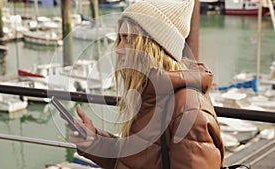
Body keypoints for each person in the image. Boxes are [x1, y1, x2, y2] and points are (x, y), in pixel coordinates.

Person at [68, 0, 225, 168]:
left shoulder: (189, 108)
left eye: (128, 40)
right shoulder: (151, 95)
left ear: (153, 46)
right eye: (119, 39)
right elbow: (135, 161)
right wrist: (93, 141)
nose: (118, 49)